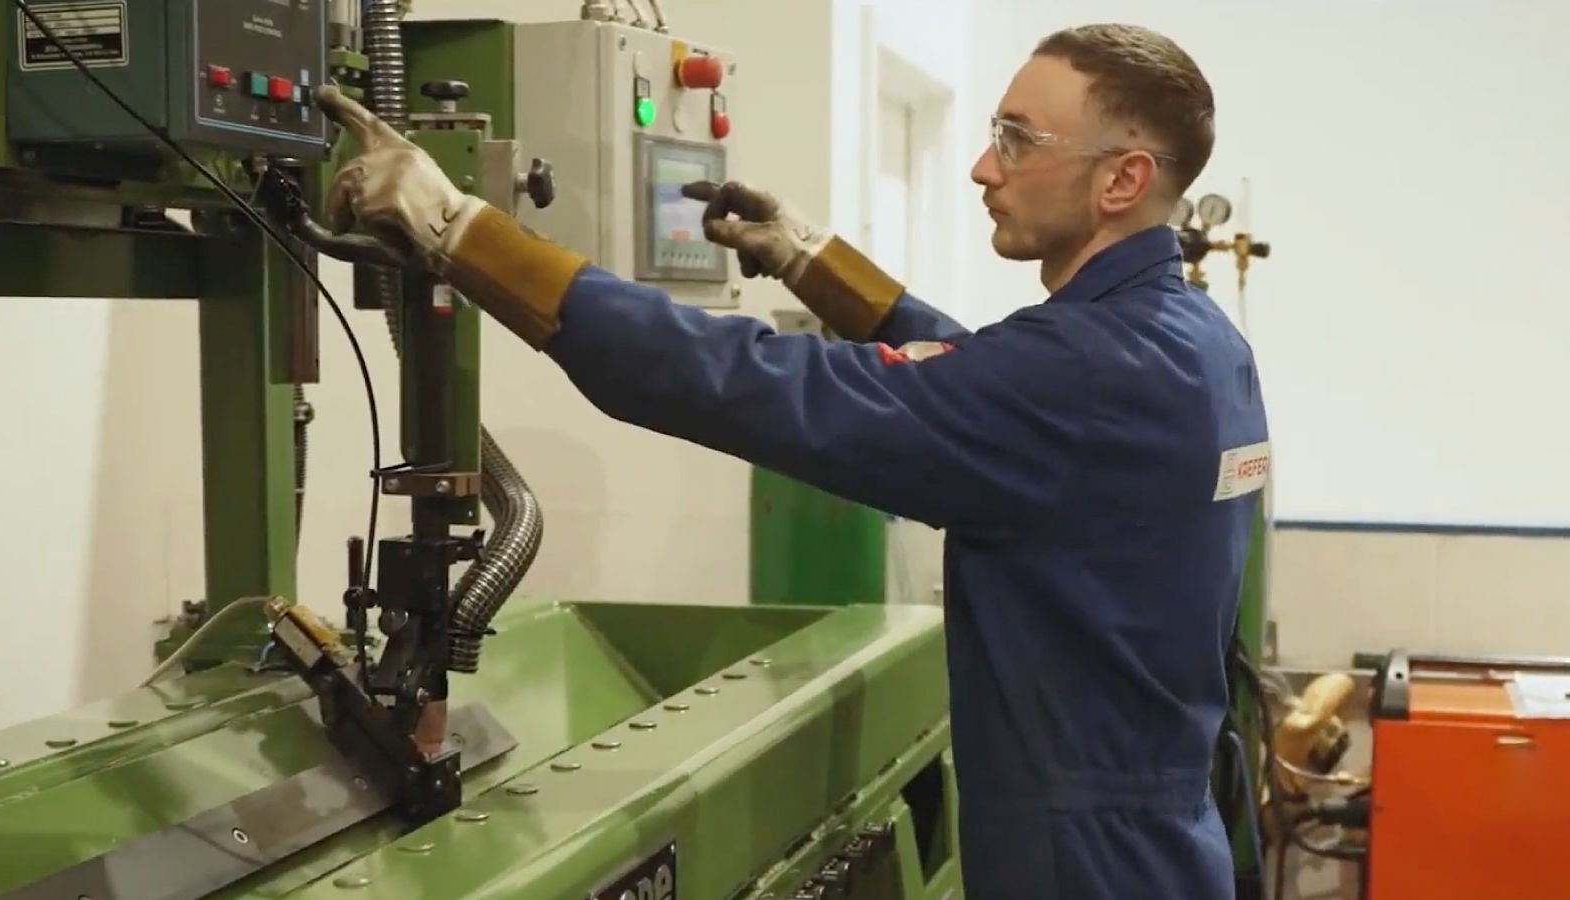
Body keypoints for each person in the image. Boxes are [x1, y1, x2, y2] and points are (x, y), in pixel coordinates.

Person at [314, 21, 1266, 900]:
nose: (985, 166)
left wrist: (464, 233)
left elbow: (757, 383)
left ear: (1122, 181)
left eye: (1019, 139)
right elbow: (987, 384)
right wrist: (814, 260)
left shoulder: (1090, 372)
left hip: (1084, 865)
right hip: (1159, 835)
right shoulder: (1187, 340)